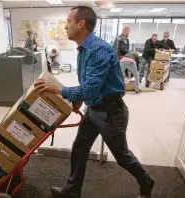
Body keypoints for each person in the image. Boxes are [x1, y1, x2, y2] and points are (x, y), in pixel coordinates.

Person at [34, 6, 154, 198]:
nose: (66, 26)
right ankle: (72, 192)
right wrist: (78, 100)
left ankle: (147, 182)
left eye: (69, 22)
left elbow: (90, 88)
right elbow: (89, 83)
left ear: (81, 24)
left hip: (111, 114)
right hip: (94, 109)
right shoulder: (83, 49)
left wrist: (59, 89)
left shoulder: (98, 50)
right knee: (80, 149)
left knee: (122, 157)